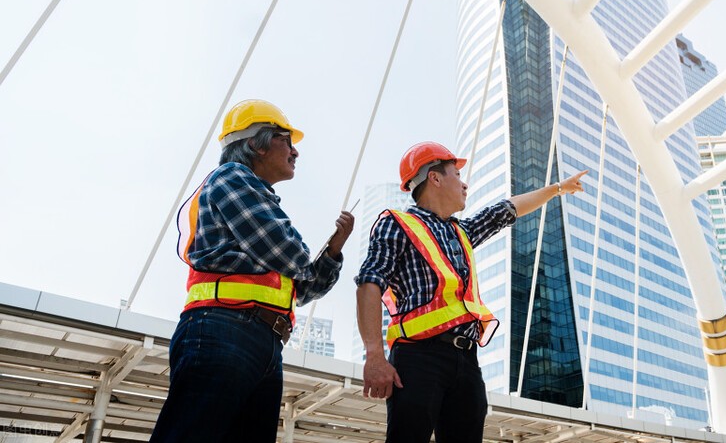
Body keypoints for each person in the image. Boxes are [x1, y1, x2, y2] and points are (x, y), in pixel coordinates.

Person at [150, 99, 354, 442]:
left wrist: (333, 251)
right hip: (224, 328)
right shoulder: (232, 178)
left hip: (262, 339)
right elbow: (290, 254)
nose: (295, 152)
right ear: (254, 143)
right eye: (286, 140)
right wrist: (305, 258)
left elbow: (303, 289)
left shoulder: (255, 198)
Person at [355, 141, 586, 442]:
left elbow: (506, 210)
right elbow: (369, 282)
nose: (464, 185)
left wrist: (557, 188)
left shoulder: (460, 232)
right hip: (418, 358)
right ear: (435, 178)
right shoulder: (398, 224)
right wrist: (374, 356)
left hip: (466, 360)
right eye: (456, 175)